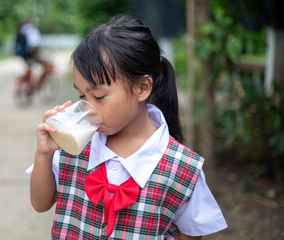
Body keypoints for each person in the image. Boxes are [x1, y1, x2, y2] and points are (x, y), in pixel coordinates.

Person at [27, 15, 227, 239]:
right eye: (82, 95)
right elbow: (40, 203)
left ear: (142, 88)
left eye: (99, 96)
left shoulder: (182, 170)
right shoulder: (73, 144)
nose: (87, 108)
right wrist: (44, 155)